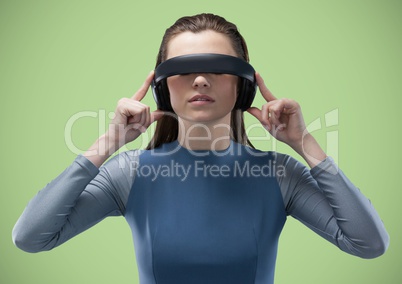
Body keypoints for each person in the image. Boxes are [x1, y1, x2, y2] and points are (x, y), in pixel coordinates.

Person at [12, 13, 389, 284]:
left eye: (217, 68)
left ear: (242, 86)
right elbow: (31, 237)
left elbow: (368, 244)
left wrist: (305, 144)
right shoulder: (128, 173)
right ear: (162, 86)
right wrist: (107, 144)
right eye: (184, 69)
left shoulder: (279, 174)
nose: (201, 80)